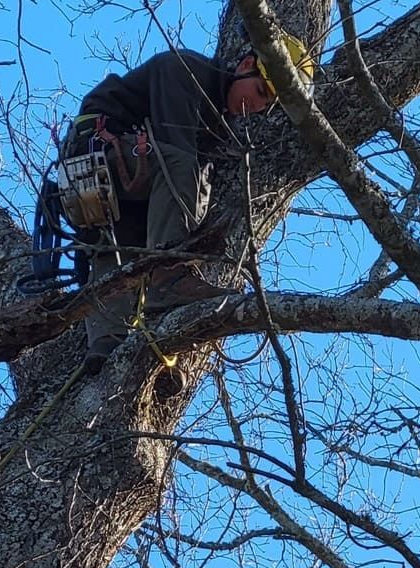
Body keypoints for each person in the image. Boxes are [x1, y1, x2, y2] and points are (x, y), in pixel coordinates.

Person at [26, 39, 313, 369]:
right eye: (261, 91)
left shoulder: (218, 119)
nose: (258, 106)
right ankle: (169, 277)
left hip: (129, 186)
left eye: (268, 103)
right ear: (246, 65)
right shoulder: (187, 71)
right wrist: (180, 254)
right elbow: (177, 158)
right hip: (102, 154)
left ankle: (108, 343)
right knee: (180, 167)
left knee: (120, 243)